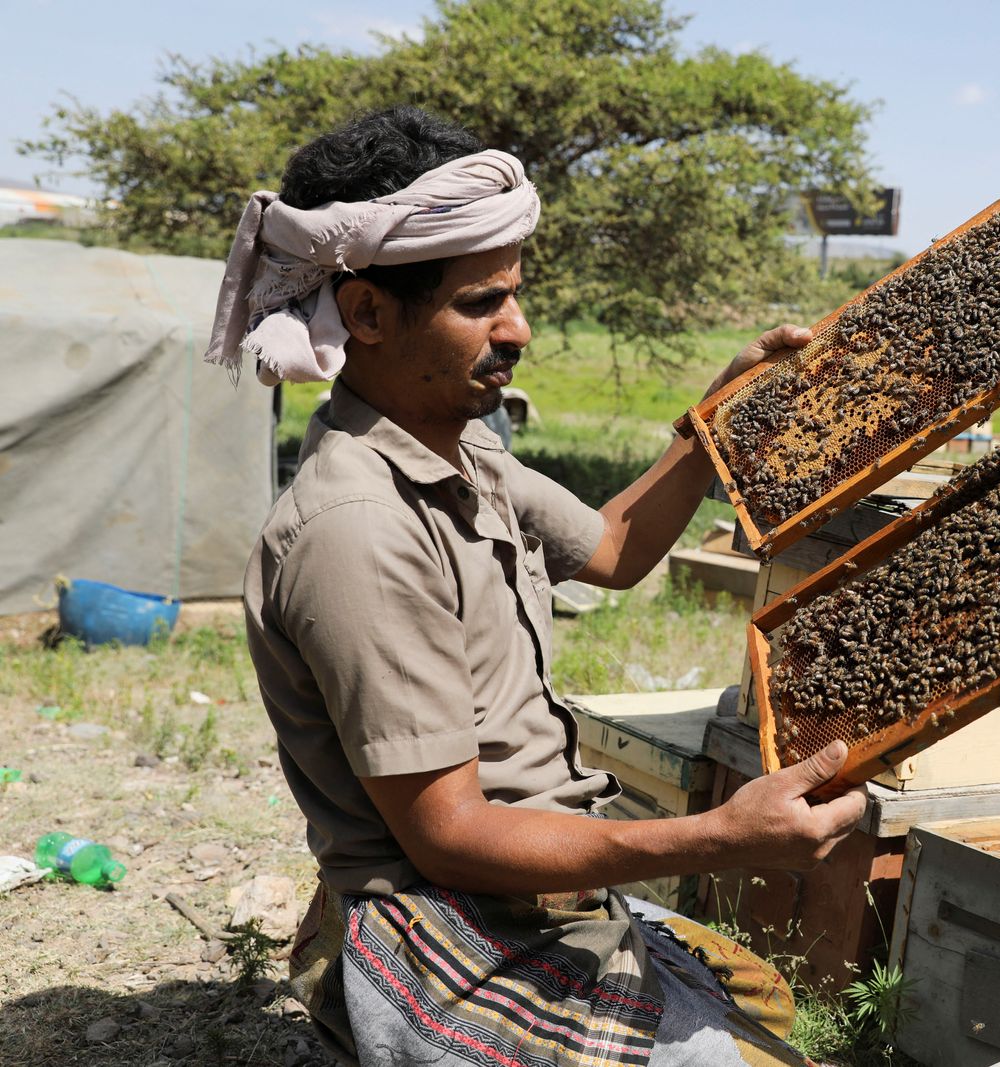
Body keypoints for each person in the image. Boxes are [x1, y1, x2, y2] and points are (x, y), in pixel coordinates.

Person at [207, 106, 866, 1067]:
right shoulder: (359, 530)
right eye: (482, 303)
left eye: (515, 294)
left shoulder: (462, 448)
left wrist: (714, 420)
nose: (519, 328)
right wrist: (715, 837)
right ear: (367, 313)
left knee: (757, 1003)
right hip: (450, 926)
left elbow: (612, 548)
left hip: (535, 885)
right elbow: (450, 837)